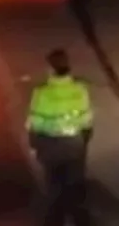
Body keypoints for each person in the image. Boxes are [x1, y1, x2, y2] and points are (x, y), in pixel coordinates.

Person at [26, 48, 94, 226]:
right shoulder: (80, 90)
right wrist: (82, 144)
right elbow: (87, 122)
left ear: (50, 69)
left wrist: (34, 146)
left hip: (51, 147)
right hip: (75, 144)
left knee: (54, 190)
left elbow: (35, 123)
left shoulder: (42, 93)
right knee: (76, 190)